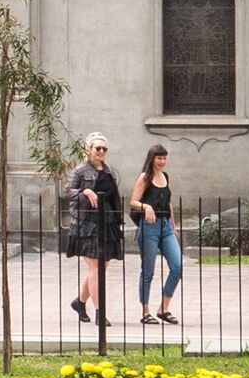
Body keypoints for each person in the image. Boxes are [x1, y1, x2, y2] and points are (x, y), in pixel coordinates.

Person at [65, 135, 121, 326]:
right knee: (96, 268)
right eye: (98, 148)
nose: (101, 152)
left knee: (100, 268)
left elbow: (114, 196)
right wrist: (84, 192)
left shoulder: (109, 171)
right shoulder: (80, 171)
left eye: (104, 149)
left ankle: (79, 302)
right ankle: (100, 312)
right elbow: (67, 191)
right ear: (89, 149)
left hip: (107, 223)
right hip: (86, 224)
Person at [130, 143, 182, 324]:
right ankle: (145, 312)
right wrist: (147, 207)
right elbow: (133, 202)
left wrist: (173, 225)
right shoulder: (145, 177)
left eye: (164, 158)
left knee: (177, 266)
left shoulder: (166, 176)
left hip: (166, 226)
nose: (162, 161)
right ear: (152, 159)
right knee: (148, 271)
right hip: (149, 227)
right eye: (159, 158)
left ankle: (164, 308)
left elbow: (168, 203)